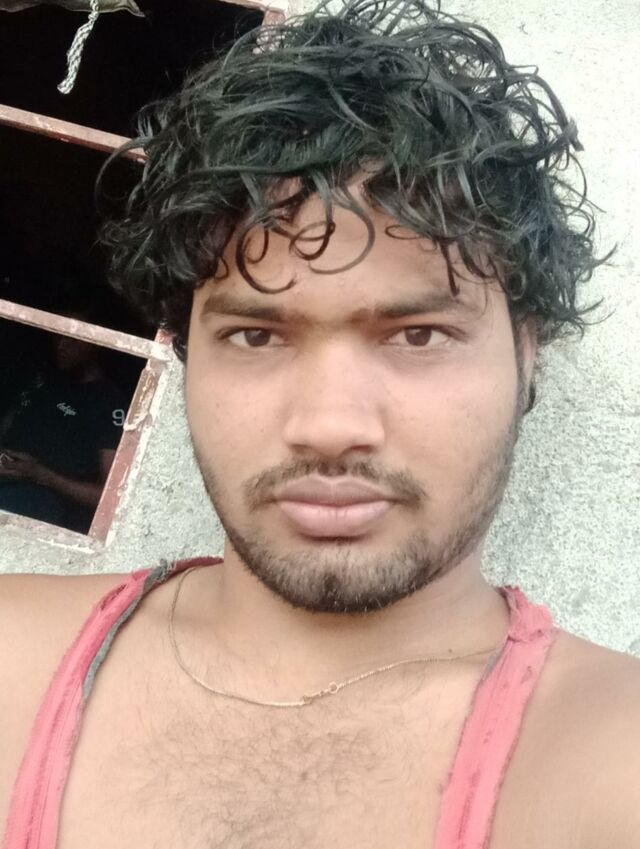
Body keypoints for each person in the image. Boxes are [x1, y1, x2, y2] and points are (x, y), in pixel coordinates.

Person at [1, 0, 638, 846]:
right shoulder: (12, 662)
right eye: (257, 335)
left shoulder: (610, 763)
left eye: (418, 334)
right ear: (190, 353)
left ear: (528, 354)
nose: (330, 425)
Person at [0, 310, 126, 533]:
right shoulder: (44, 376)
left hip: (41, 507)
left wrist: (41, 475)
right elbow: (9, 422)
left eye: (73, 339)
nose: (61, 345)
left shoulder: (109, 404)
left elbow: (110, 497)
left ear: (98, 343)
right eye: (58, 335)